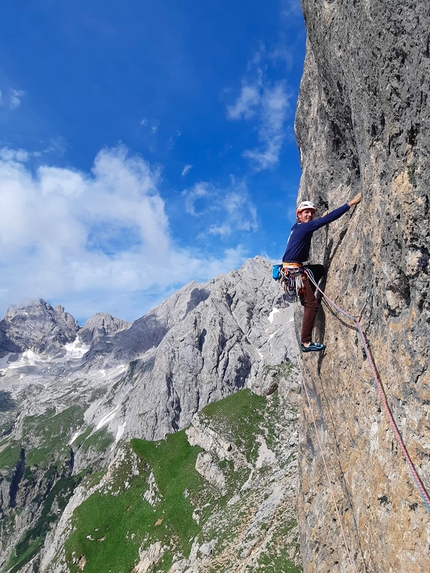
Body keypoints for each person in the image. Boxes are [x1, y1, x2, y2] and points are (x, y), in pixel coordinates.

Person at [282, 193, 362, 352]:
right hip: (295, 272)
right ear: (299, 215)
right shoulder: (304, 226)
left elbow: (309, 231)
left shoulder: (297, 227)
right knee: (312, 305)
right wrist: (351, 203)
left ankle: (308, 295)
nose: (309, 214)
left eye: (312, 212)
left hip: (293, 268)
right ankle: (305, 343)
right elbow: (328, 219)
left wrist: (318, 220)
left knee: (319, 269)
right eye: (306, 212)